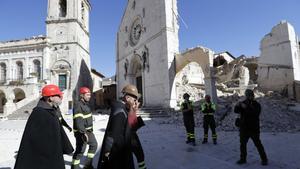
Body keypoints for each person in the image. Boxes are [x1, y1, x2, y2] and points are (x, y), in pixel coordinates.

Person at [14, 84, 73, 169]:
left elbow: (57, 130)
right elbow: (33, 141)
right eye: (58, 95)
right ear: (51, 97)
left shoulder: (52, 110)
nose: (61, 97)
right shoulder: (39, 113)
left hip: (54, 153)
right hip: (44, 158)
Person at [97, 84, 140, 169]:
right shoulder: (120, 112)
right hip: (117, 154)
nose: (135, 102)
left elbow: (131, 129)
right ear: (127, 98)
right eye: (134, 100)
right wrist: (107, 152)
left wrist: (133, 112)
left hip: (122, 152)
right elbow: (112, 135)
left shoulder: (124, 110)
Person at [234, 89, 268, 166]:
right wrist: (237, 105)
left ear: (252, 95)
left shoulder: (256, 105)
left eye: (250, 95)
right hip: (244, 128)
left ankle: (264, 159)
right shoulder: (243, 103)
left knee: (258, 144)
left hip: (253, 128)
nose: (249, 96)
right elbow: (236, 111)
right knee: (242, 145)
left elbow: (255, 114)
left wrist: (246, 107)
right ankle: (243, 159)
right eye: (247, 95)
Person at [71, 87, 98, 169]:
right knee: (80, 150)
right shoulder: (78, 105)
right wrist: (83, 133)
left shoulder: (85, 104)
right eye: (87, 95)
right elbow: (78, 121)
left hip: (88, 131)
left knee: (94, 145)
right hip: (81, 132)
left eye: (90, 95)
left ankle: (88, 165)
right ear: (82, 95)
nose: (89, 96)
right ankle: (74, 166)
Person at [128, 101, 147, 169]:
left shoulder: (132, 111)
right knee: (140, 155)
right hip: (131, 137)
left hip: (132, 136)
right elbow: (132, 126)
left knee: (140, 155)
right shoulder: (130, 111)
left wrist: (136, 110)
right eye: (135, 102)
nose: (137, 103)